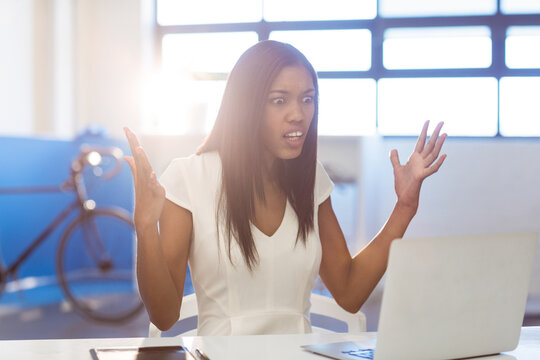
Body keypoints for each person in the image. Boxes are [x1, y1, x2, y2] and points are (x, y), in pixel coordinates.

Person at [123, 40, 447, 336]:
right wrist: (147, 226)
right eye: (279, 100)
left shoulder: (310, 179)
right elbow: (164, 316)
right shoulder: (189, 177)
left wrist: (404, 208)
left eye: (308, 99)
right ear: (246, 106)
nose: (298, 115)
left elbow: (349, 291)